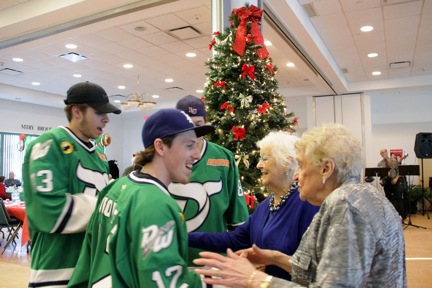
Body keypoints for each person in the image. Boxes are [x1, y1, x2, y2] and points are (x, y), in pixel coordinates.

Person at [193, 123, 406, 287]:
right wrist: (274, 257)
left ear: (326, 169)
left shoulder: (345, 205)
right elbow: (320, 271)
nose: (297, 175)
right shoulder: (360, 196)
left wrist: (255, 279)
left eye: (302, 165)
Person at [68, 108, 214, 287]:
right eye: (189, 146)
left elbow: (86, 263)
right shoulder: (157, 204)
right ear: (160, 146)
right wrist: (213, 281)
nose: (197, 155)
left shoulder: (116, 187)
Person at [22, 81, 121, 288]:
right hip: (55, 271)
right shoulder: (49, 145)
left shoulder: (99, 156)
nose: (106, 119)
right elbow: (47, 210)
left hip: (92, 270)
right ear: (77, 111)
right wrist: (111, 211)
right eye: (99, 112)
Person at [188, 131, 319, 280]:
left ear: (287, 163)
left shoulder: (307, 204)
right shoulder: (265, 206)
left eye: (265, 159)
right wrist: (185, 237)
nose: (258, 165)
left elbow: (313, 269)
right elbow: (233, 240)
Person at [168, 95, 249, 265]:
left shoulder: (224, 158)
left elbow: (237, 219)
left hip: (214, 261)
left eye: (198, 125)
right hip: (171, 259)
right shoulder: (165, 157)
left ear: (206, 121)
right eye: (186, 124)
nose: (192, 132)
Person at [378, 149, 405, 219]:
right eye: (381, 153)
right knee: (388, 198)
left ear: (386, 153)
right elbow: (379, 174)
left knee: (398, 197)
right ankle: (390, 216)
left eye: (383, 152)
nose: (382, 154)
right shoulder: (380, 164)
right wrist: (385, 174)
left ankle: (401, 215)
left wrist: (396, 179)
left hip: (395, 181)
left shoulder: (394, 161)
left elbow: (399, 172)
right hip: (387, 183)